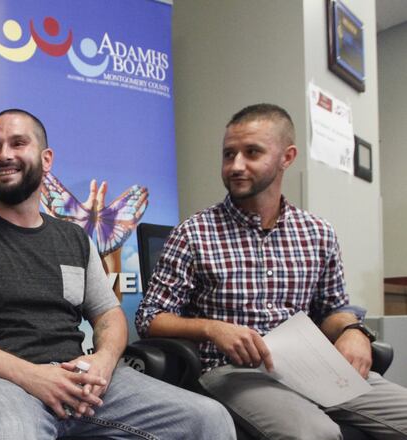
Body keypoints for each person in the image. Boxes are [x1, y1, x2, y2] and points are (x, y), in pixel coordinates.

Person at [0, 108, 235, 439]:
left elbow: (109, 314)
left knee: (209, 418)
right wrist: (31, 376)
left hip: (79, 376)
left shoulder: (74, 238)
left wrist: (104, 362)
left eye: (18, 143)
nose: (4, 155)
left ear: (46, 158)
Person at [136, 103, 407, 439]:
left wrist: (354, 332)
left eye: (252, 153)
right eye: (228, 154)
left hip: (313, 368)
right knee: (315, 435)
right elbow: (150, 318)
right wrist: (213, 328)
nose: (236, 165)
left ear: (287, 157)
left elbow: (333, 309)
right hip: (235, 372)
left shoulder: (318, 232)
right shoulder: (194, 233)